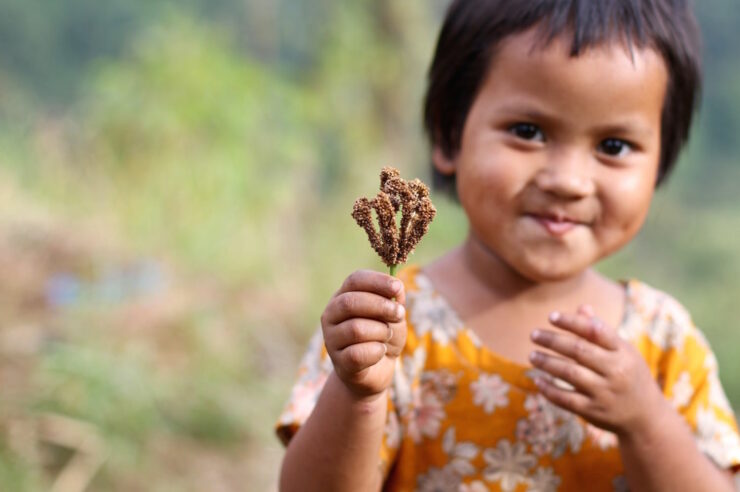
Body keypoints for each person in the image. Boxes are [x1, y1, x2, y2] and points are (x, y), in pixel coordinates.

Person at [276, 1, 740, 490]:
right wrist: (359, 396)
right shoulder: (391, 324)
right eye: (528, 132)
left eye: (614, 146)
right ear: (451, 134)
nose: (568, 181)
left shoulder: (663, 343)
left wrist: (647, 421)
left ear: (662, 161)